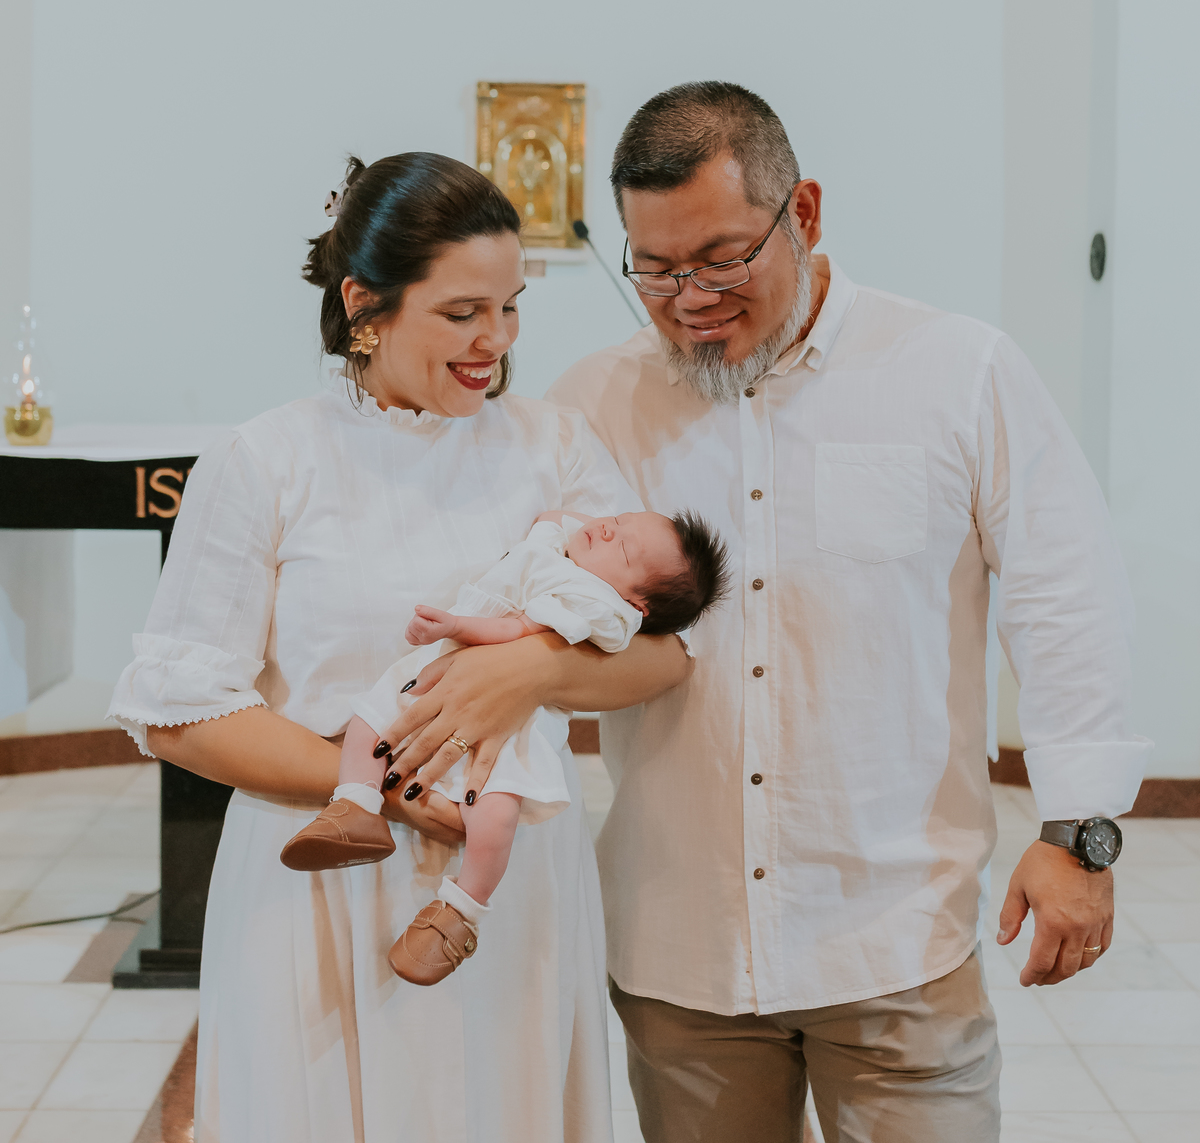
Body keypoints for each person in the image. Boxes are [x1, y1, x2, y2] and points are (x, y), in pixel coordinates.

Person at [546, 82, 1153, 1143]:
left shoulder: (956, 374)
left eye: (724, 257)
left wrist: (1079, 835)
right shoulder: (595, 403)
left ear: (807, 213)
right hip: (680, 955)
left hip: (895, 942)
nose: (689, 296)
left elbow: (1068, 597)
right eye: (654, 268)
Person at [108, 151, 691, 1143]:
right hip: (323, 876)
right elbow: (182, 711)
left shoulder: (553, 447)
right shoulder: (268, 460)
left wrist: (533, 670)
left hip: (503, 886)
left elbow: (664, 654)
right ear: (365, 304)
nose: (495, 344)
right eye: (462, 313)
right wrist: (389, 792)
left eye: (510, 309)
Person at [281, 506, 727, 987]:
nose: (605, 528)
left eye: (623, 546)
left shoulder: (593, 602)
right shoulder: (565, 550)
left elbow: (515, 631)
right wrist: (573, 523)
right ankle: (354, 807)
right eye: (617, 520)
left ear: (636, 604)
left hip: (511, 715)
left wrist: (453, 626)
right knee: (370, 721)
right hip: (440, 667)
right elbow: (562, 517)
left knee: (494, 813)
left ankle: (460, 911)